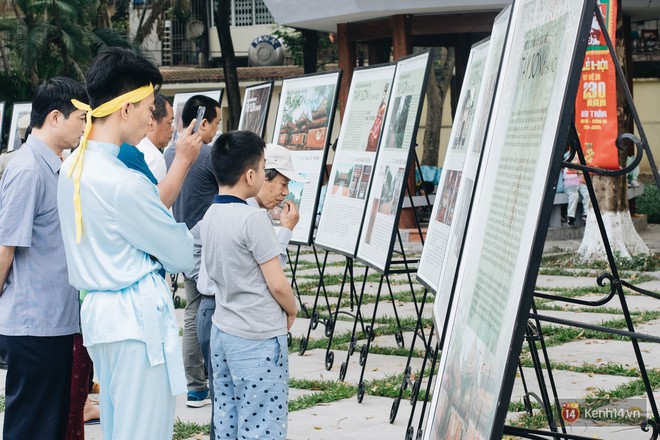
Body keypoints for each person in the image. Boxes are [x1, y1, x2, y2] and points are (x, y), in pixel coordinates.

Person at [57, 47, 194, 440]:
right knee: (144, 432)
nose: (152, 119)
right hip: (136, 321)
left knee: (121, 428)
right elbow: (180, 253)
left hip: (100, 318)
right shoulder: (123, 181)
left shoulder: (71, 167)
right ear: (125, 109)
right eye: (149, 107)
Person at [190, 143, 304, 436]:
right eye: (271, 173)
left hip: (222, 326)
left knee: (227, 419)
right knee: (261, 423)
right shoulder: (252, 218)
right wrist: (292, 310)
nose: (285, 192)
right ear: (252, 175)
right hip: (255, 333)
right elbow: (277, 283)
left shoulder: (213, 212)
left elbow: (191, 247)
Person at [0, 77, 87, 440]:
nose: (85, 127)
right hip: (34, 325)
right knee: (29, 427)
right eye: (81, 118)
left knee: (48, 427)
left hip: (53, 323)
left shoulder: (52, 166)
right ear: (55, 117)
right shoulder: (28, 170)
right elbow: (5, 247)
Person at [164, 94, 222, 407]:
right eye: (215, 123)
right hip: (207, 245)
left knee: (192, 311)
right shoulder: (207, 153)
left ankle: (196, 385)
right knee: (202, 314)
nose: (216, 131)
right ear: (201, 122)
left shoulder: (171, 150)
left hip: (183, 241)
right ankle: (201, 385)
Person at [118, 93, 172, 182]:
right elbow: (158, 195)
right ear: (127, 110)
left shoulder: (122, 146)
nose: (172, 129)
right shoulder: (155, 158)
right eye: (169, 123)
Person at [563, 154, 591, 226]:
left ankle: (586, 214)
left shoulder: (581, 160)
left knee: (588, 193)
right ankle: (570, 216)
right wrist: (576, 173)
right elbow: (565, 176)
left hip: (581, 183)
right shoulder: (567, 162)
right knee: (574, 195)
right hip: (570, 183)